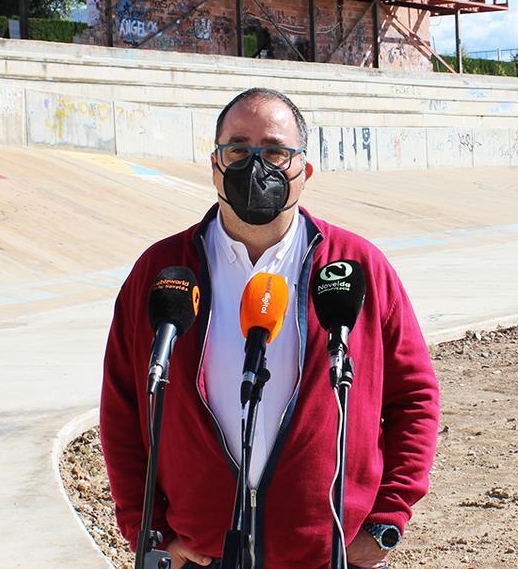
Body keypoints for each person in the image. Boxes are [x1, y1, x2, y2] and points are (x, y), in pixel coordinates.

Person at [100, 88, 440, 568]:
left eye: (276, 151)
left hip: (328, 555)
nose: (255, 166)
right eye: (237, 150)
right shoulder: (163, 272)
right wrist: (148, 531)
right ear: (215, 165)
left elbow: (415, 398)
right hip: (200, 556)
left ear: (305, 170)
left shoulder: (356, 266)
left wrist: (385, 523)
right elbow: (122, 408)